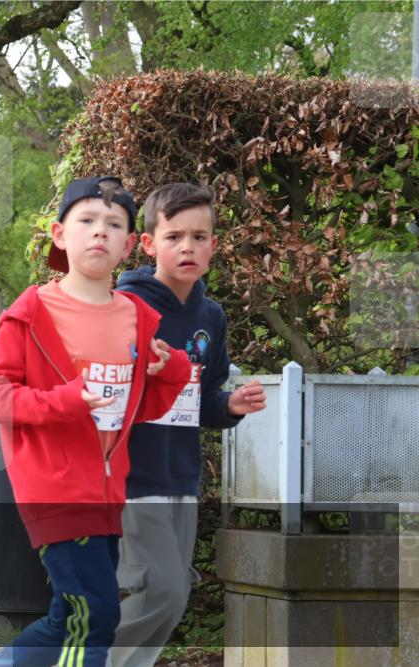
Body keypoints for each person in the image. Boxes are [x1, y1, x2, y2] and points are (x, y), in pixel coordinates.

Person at [0, 177, 191, 667]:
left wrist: (171, 369)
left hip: (108, 492)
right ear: (59, 234)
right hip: (54, 488)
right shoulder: (30, 313)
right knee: (96, 614)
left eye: (114, 224)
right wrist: (65, 401)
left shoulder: (138, 318)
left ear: (129, 245)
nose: (100, 231)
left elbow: (141, 409)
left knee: (68, 614)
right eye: (86, 220)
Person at [109, 183, 267, 667]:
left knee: (172, 596)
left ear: (213, 246)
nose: (188, 247)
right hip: (131, 478)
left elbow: (204, 400)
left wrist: (230, 406)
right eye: (174, 236)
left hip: (182, 476)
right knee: (161, 590)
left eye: (199, 237)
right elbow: (100, 386)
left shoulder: (211, 317)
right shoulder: (125, 305)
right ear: (148, 244)